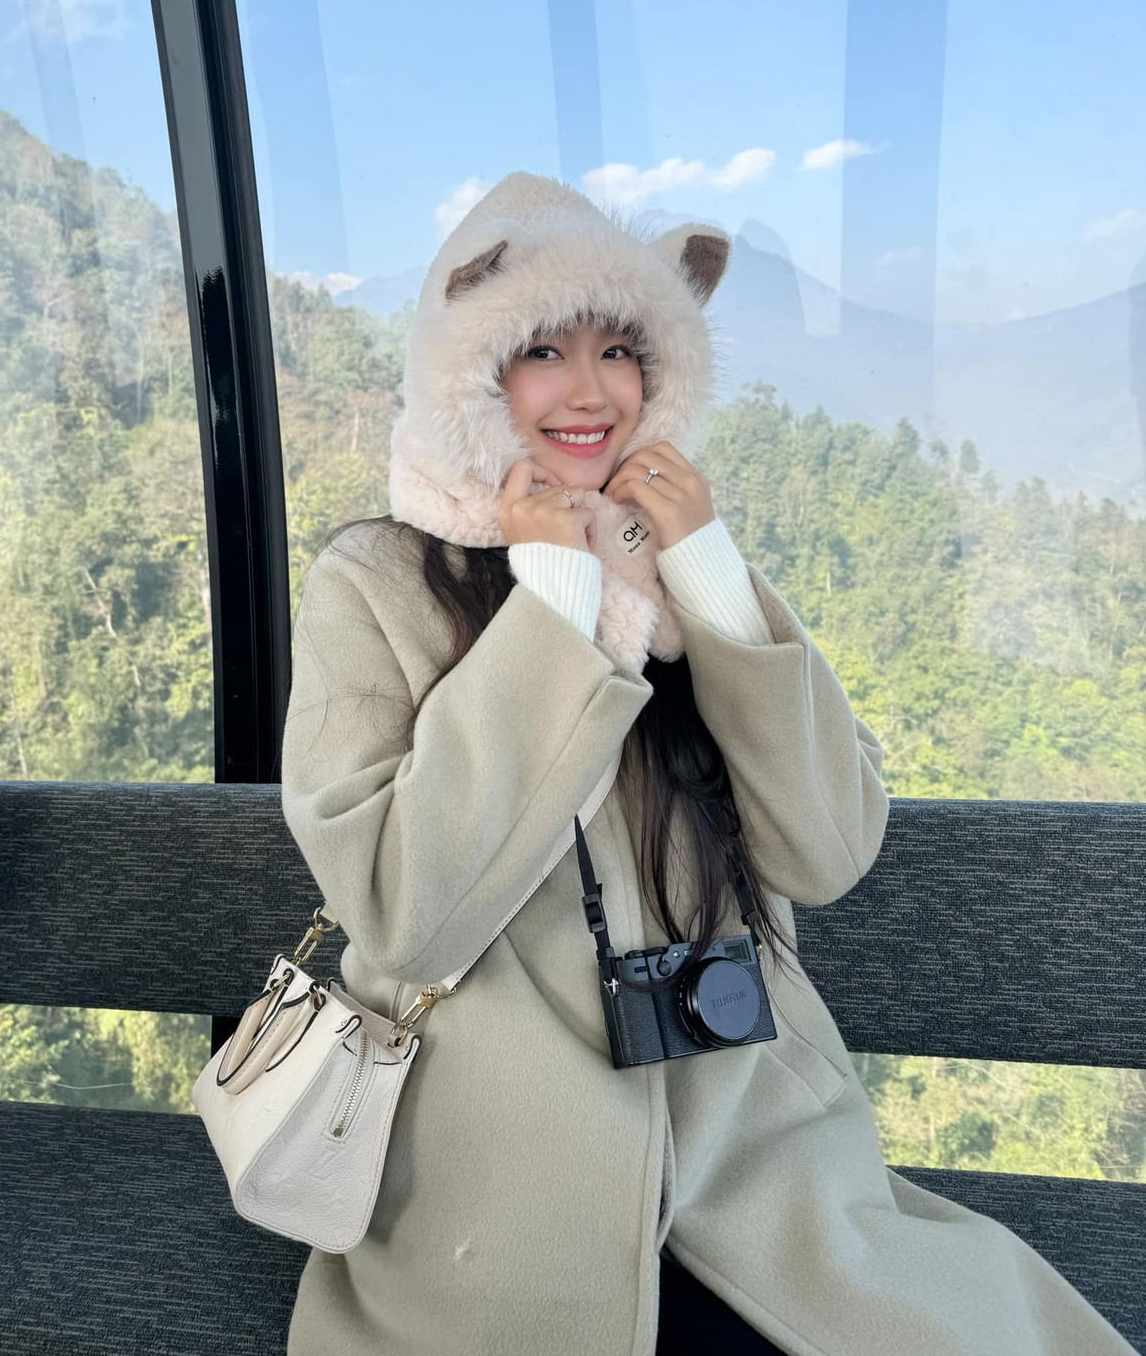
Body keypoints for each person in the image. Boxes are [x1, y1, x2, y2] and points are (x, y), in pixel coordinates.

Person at [280, 171, 1137, 1356]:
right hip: (494, 1203)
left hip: (756, 1171)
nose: (591, 391)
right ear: (468, 370)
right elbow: (405, 914)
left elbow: (827, 851)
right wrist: (556, 605)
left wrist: (713, 579)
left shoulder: (680, 570)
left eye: (622, 350)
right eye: (542, 348)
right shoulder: (376, 583)